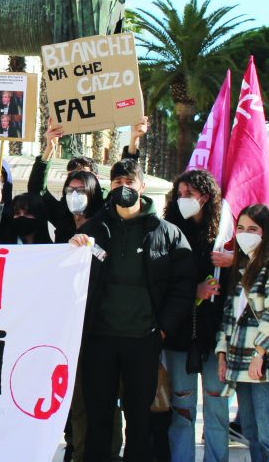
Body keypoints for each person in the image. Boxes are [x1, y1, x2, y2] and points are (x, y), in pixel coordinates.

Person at [69, 158, 195, 462]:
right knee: (99, 418)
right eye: (116, 183)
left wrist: (162, 327)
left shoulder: (168, 233)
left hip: (143, 340)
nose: (123, 188)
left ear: (141, 186)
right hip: (100, 340)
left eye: (129, 183)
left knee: (140, 420)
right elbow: (71, 279)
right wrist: (71, 248)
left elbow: (183, 286)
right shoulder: (92, 229)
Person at [162, 169, 231, 462]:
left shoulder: (226, 237)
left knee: (216, 409)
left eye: (189, 195)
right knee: (182, 409)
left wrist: (235, 259)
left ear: (205, 196)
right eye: (179, 195)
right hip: (179, 338)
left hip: (216, 340)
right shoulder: (168, 232)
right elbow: (161, 282)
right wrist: (195, 291)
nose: (183, 200)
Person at [215, 204, 269, 462]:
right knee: (251, 431)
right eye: (241, 228)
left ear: (266, 232)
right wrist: (222, 354)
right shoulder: (241, 265)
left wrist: (260, 352)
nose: (245, 234)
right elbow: (229, 313)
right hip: (238, 360)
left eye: (253, 229)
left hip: (264, 364)